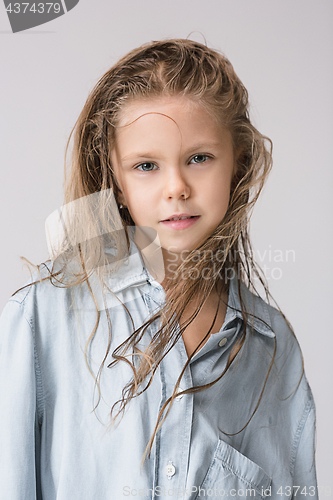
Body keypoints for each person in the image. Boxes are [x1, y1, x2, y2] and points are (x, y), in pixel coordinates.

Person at [0, 39, 317, 499]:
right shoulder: (42, 319)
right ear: (118, 181)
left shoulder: (271, 350)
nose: (177, 187)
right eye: (146, 165)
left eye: (199, 158)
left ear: (238, 162)